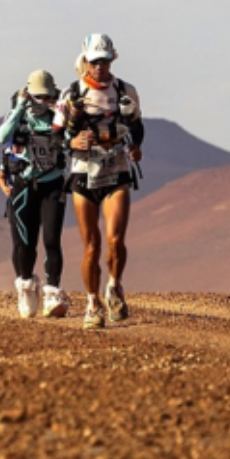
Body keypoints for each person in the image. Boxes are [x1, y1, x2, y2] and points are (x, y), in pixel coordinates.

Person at [55, 33, 144, 329]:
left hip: (116, 171)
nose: (100, 67)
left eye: (105, 61)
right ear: (86, 61)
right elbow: (56, 135)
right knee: (91, 246)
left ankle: (114, 287)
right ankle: (92, 303)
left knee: (116, 240)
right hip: (83, 174)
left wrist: (134, 145)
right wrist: (73, 141)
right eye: (95, 61)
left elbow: (137, 126)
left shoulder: (125, 90)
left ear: (112, 60)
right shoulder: (70, 93)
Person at [0, 69, 70, 319]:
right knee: (24, 244)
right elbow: (1, 136)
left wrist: (64, 114)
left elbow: (70, 139)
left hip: (52, 184)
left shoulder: (57, 117)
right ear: (28, 94)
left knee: (51, 239)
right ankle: (26, 285)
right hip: (24, 186)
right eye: (36, 96)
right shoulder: (19, 118)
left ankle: (52, 293)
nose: (41, 102)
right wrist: (19, 107)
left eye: (46, 97)